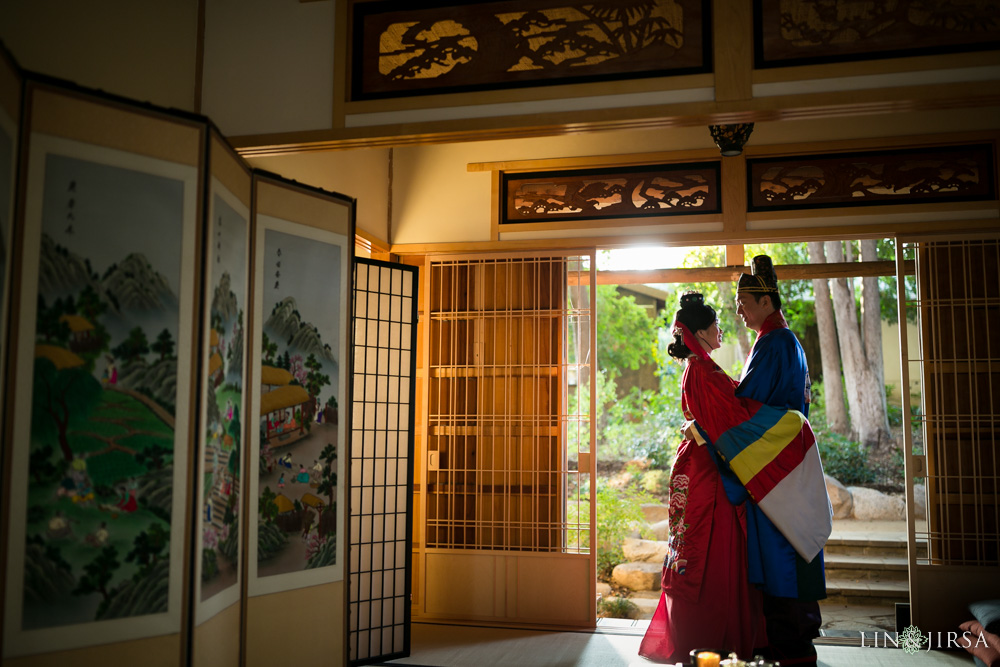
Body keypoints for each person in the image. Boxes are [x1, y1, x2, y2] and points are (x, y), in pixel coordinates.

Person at [639, 292, 765, 663]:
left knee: (695, 555)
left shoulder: (699, 368)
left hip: (698, 465)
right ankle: (709, 639)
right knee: (710, 557)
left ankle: (704, 636)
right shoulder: (704, 371)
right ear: (699, 333)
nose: (720, 329)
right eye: (714, 326)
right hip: (709, 474)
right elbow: (734, 421)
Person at [733, 255, 830, 667]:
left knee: (780, 549)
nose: (738, 309)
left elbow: (746, 405)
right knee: (796, 542)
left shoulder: (774, 344)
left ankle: (787, 645)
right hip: (790, 457)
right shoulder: (785, 340)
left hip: (775, 465)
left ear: (765, 302)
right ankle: (798, 641)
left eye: (743, 301)